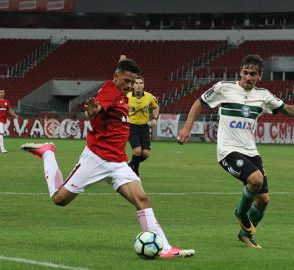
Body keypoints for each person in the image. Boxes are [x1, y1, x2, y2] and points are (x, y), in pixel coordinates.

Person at [20, 56, 194, 258]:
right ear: (116, 76)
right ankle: (48, 152)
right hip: (96, 159)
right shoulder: (110, 91)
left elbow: (113, 91)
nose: (129, 85)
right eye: (126, 81)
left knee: (142, 200)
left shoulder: (121, 93)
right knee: (59, 199)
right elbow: (97, 107)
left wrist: (123, 61)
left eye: (132, 81)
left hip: (118, 162)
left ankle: (165, 248)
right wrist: (93, 111)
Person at [177, 54, 294, 248]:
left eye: (253, 74)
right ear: (240, 72)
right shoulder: (223, 88)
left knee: (264, 199)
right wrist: (186, 128)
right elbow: (199, 103)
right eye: (245, 73)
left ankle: (245, 234)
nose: (248, 77)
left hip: (251, 151)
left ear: (259, 76)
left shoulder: (263, 95)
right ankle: (240, 213)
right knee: (256, 179)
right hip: (228, 151)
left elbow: (287, 108)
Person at [127, 75, 160, 176]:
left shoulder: (149, 96)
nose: (138, 85)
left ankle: (130, 165)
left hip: (144, 127)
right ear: (133, 85)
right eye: (136, 83)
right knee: (137, 151)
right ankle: (135, 172)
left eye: (140, 83)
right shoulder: (127, 96)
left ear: (143, 85)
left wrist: (154, 118)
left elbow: (155, 107)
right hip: (131, 126)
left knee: (146, 153)